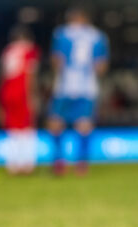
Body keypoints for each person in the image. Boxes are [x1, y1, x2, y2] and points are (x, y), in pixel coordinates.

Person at [47, 6, 109, 176]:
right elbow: (101, 65)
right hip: (87, 86)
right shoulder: (97, 36)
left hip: (65, 85)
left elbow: (57, 59)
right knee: (84, 124)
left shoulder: (62, 33)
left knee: (55, 122)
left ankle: (59, 162)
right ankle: (82, 164)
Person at [0, 26, 40, 175]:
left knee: (12, 129)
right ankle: (27, 164)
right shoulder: (30, 50)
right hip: (22, 92)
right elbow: (30, 75)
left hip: (7, 92)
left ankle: (13, 165)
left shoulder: (8, 51)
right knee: (27, 128)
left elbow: (3, 75)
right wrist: (31, 96)